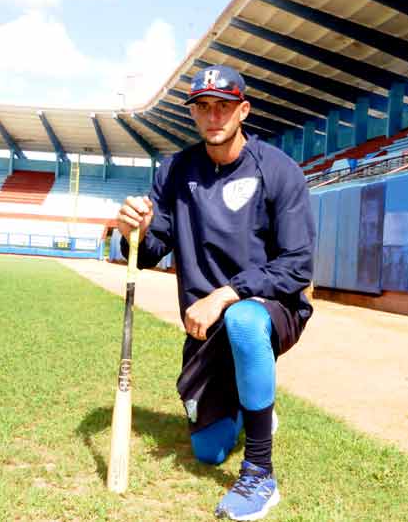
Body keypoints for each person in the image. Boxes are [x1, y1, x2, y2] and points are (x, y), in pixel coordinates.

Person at [116, 64, 315, 520]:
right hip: (204, 328)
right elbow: (150, 251)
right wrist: (135, 230)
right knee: (207, 451)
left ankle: (261, 475)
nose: (213, 116)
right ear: (194, 114)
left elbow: (297, 266)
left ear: (242, 110)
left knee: (244, 320)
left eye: (223, 106)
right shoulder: (176, 170)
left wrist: (227, 293)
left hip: (270, 310)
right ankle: (252, 407)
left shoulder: (279, 171)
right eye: (203, 107)